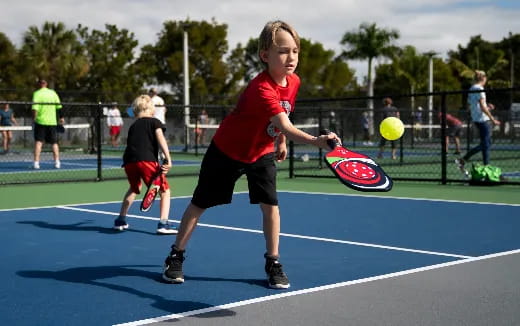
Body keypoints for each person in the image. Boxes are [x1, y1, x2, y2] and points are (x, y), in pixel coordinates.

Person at [161, 20, 341, 289]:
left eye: (295, 51)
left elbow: (284, 114)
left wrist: (279, 142)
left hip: (261, 152)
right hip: (227, 151)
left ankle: (273, 261)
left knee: (271, 207)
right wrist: (316, 140)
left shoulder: (294, 82)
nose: (290, 57)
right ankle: (176, 256)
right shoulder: (261, 88)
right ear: (265, 55)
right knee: (200, 204)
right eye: (282, 51)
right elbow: (285, 124)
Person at [113, 94, 177, 235]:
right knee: (165, 191)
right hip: (146, 161)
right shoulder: (154, 122)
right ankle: (163, 223)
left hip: (129, 162)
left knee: (134, 188)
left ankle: (120, 220)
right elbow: (161, 139)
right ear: (151, 109)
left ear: (136, 110)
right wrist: (168, 158)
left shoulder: (133, 126)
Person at [456, 70, 500, 175]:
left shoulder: (472, 88)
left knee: (486, 144)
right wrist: (493, 119)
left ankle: (486, 166)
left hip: (476, 119)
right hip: (483, 120)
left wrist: (486, 105)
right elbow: (482, 107)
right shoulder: (480, 89)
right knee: (486, 144)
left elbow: (471, 105)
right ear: (483, 78)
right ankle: (463, 160)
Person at [32, 79, 64, 169]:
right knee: (54, 142)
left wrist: (34, 119)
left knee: (39, 142)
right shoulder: (53, 93)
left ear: (39, 84)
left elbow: (35, 109)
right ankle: (57, 162)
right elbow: (59, 107)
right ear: (46, 84)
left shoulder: (37, 93)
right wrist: (61, 117)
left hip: (40, 122)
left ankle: (36, 163)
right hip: (52, 122)